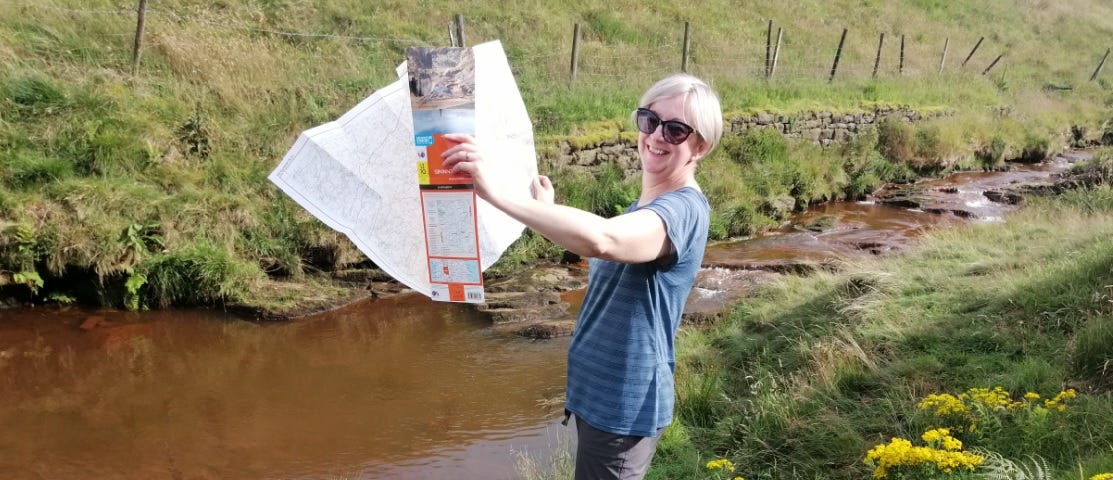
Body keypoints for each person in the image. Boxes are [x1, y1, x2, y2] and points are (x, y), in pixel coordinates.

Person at [443, 72, 723, 480]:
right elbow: (594, 247)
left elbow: (602, 240)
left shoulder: (681, 211)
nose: (657, 135)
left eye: (676, 129)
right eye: (649, 120)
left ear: (700, 147)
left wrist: (498, 195)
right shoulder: (643, 207)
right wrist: (546, 209)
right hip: (599, 398)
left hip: (622, 409)